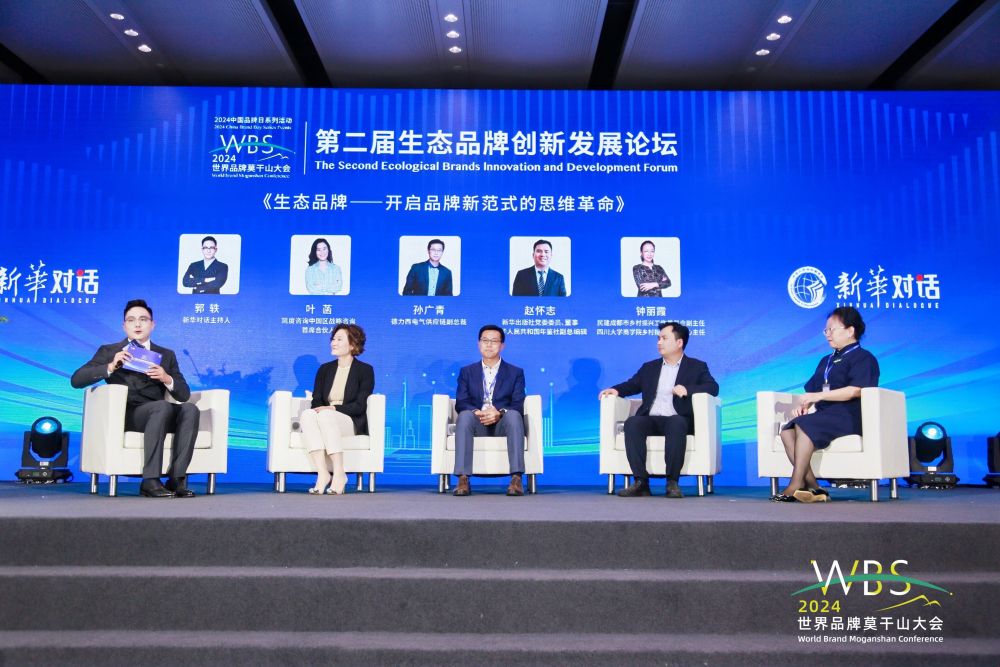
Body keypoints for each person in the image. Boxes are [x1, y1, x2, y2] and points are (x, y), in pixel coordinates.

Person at [70, 299, 198, 498]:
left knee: (190, 409)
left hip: (160, 411)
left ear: (152, 324)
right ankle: (150, 480)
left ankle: (176, 479)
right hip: (130, 414)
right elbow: (76, 380)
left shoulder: (166, 355)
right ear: (124, 326)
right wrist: (110, 367)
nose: (137, 324)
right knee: (161, 407)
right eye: (131, 320)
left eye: (143, 319)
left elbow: (183, 394)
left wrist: (166, 378)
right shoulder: (109, 351)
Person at [599, 321, 719, 498]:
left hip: (678, 418)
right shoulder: (649, 367)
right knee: (633, 423)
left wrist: (688, 389)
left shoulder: (696, 366)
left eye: (664, 338)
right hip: (652, 419)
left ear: (679, 342)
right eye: (658, 338)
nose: (659, 342)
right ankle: (640, 482)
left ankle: (672, 482)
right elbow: (632, 385)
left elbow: (713, 387)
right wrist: (616, 390)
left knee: (676, 422)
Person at [773, 306, 879, 503]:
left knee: (804, 424)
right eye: (826, 330)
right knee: (787, 430)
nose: (828, 334)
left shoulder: (864, 358)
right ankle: (815, 487)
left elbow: (856, 390)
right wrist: (804, 405)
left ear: (850, 330)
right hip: (825, 415)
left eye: (832, 329)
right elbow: (812, 391)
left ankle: (795, 484)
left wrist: (817, 396)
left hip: (849, 415)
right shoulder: (826, 360)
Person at [452, 325, 527, 496]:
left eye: (494, 341)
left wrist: (500, 413)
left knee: (514, 415)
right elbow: (461, 401)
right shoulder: (467, 371)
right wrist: (476, 412)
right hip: (477, 422)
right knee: (464, 416)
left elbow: (517, 403)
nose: (489, 345)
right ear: (479, 344)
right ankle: (463, 478)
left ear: (502, 346)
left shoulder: (515, 372)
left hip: (502, 423)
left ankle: (516, 479)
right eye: (485, 340)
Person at [300, 323, 374, 495]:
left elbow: (359, 406)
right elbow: (316, 400)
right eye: (333, 339)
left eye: (339, 339)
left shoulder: (365, 370)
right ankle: (323, 474)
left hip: (350, 420)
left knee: (326, 415)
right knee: (307, 415)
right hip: (326, 417)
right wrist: (323, 410)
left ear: (353, 344)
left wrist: (333, 408)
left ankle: (339, 473)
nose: (333, 343)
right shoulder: (324, 369)